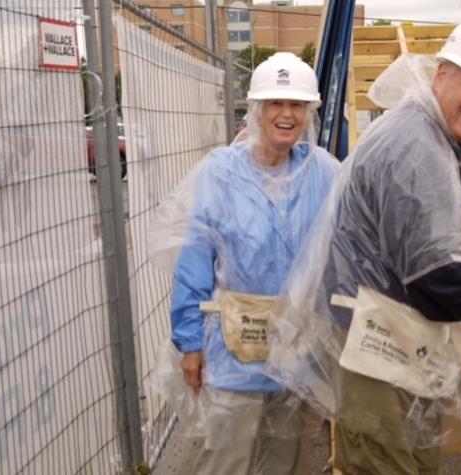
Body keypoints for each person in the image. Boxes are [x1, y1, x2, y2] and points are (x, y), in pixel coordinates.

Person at [264, 16, 461, 475]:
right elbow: (435, 274)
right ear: (442, 74)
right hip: (377, 347)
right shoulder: (417, 146)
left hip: (391, 342)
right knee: (383, 463)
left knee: (407, 459)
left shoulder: (426, 132)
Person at [149, 52, 339, 475]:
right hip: (234, 350)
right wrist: (190, 343)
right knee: (227, 459)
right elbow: (195, 259)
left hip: (295, 348)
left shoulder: (324, 173)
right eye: (276, 104)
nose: (286, 115)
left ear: (309, 113)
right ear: (257, 110)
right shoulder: (222, 172)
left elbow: (348, 246)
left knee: (282, 457)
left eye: (296, 106)